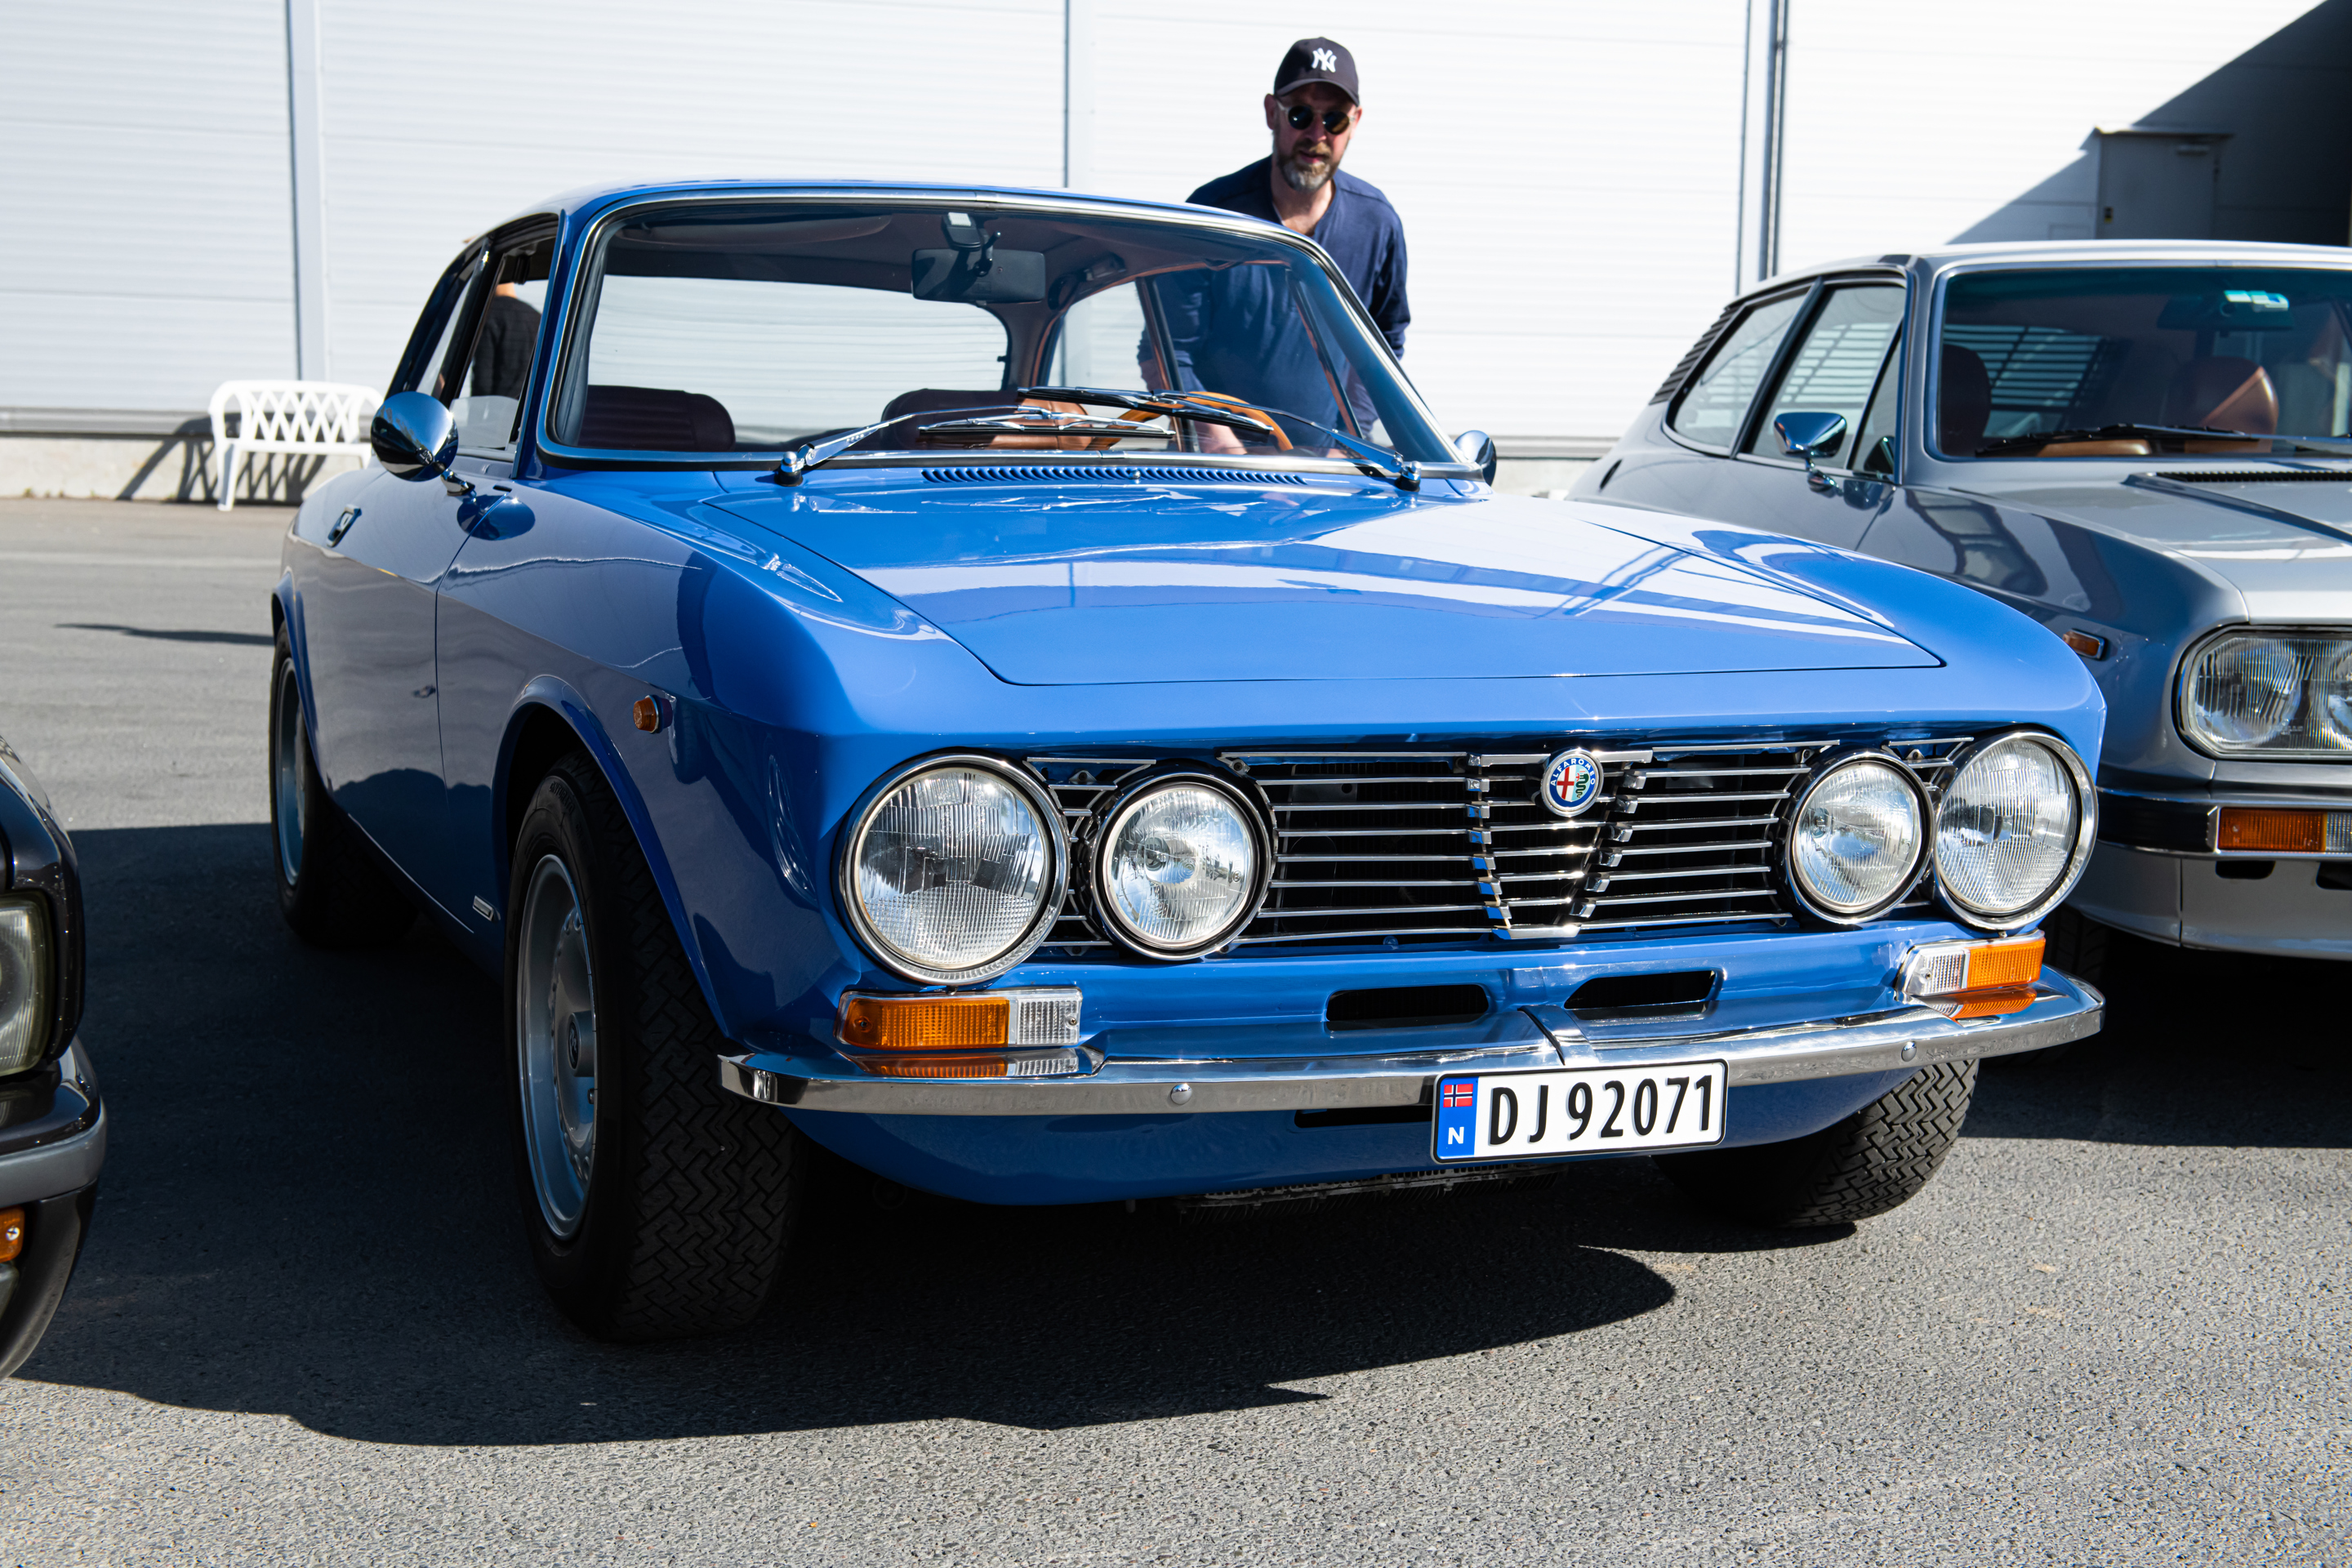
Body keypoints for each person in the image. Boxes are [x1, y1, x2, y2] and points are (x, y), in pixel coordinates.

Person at [1186, 37, 1408, 359]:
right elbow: (1168, 351)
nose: (1317, 135)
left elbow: (1386, 345)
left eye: (1335, 119)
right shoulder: (1212, 215)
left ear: (1355, 122)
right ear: (1271, 112)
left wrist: (1355, 397)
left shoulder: (1377, 224)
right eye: (1300, 114)